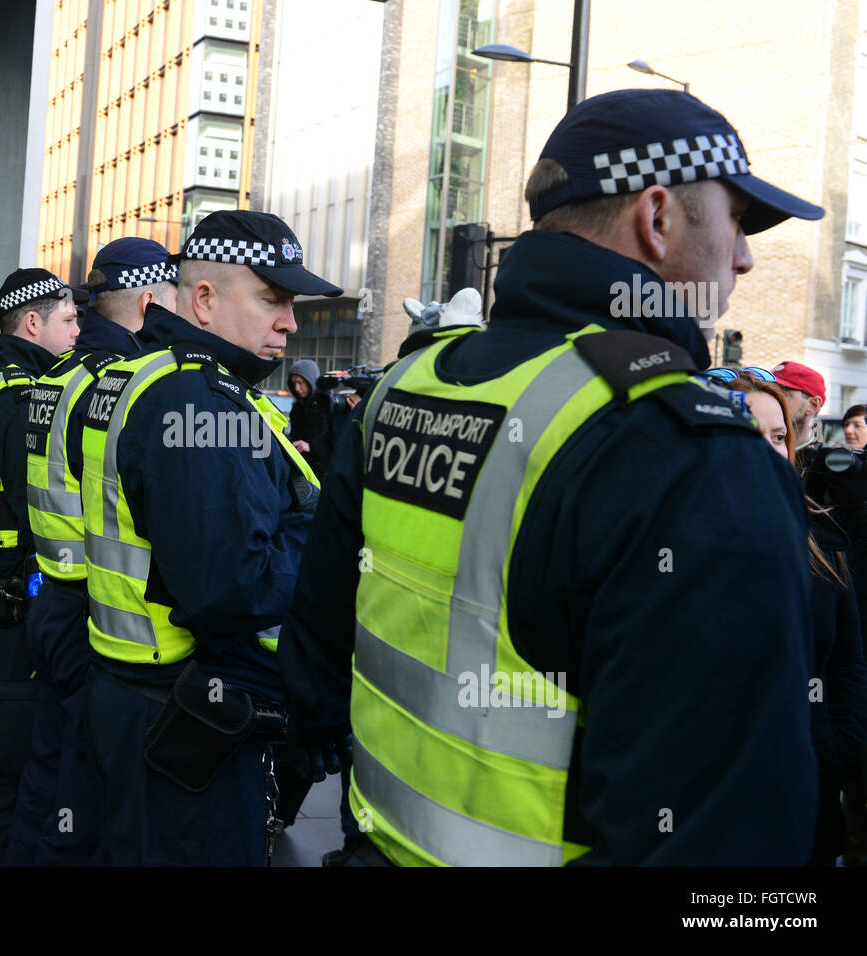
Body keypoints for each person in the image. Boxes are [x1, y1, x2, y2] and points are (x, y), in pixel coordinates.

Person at [278, 88, 826, 866]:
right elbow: (722, 830)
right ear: (659, 216)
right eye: (735, 220)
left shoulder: (410, 386)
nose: (744, 256)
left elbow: (317, 653)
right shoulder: (686, 450)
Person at [78, 210, 339, 866]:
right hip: (185, 711)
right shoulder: (196, 404)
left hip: (152, 699)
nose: (289, 321)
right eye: (272, 299)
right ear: (203, 299)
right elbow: (231, 587)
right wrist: (324, 536)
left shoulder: (169, 379)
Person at [8, 237, 175, 866]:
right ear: (153, 299)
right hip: (94, 616)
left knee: (49, 769)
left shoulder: (57, 378)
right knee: (83, 798)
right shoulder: (122, 382)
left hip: (54, 595)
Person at [0, 268, 82, 865]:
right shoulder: (21, 393)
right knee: (5, 757)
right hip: (5, 592)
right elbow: (35, 506)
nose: (78, 330)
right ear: (33, 322)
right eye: (69, 319)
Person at [712, 368, 867, 865]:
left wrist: (834, 748)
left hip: (805, 805)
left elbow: (847, 660)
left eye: (778, 436)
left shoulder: (818, 539)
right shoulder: (669, 545)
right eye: (746, 432)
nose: (768, 448)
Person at [286, 359, 329, 475]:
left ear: (311, 381)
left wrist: (312, 447)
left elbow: (333, 440)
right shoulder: (297, 408)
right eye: (293, 383)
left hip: (321, 471)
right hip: (301, 467)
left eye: (301, 383)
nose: (297, 388)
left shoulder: (326, 405)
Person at [772, 360, 826, 448]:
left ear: (813, 406)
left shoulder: (826, 460)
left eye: (782, 395)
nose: (771, 401)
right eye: (769, 394)